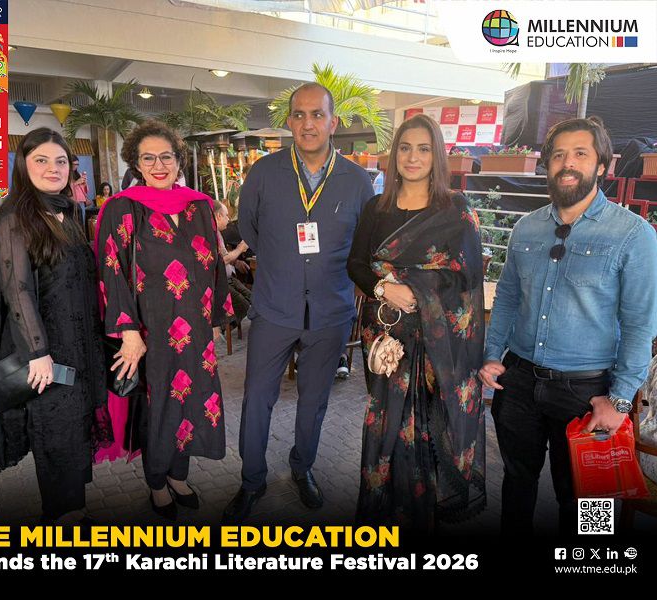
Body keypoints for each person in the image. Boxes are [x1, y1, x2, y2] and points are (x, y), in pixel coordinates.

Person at [479, 116, 657, 535]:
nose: (567, 163)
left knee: (590, 505)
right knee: (516, 482)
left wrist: (618, 401)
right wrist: (491, 354)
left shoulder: (633, 235)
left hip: (588, 392)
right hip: (519, 382)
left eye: (580, 153)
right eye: (558, 155)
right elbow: (507, 298)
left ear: (602, 165)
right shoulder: (527, 227)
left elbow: (640, 324)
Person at [224, 83, 373, 523]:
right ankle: (252, 480)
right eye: (300, 114)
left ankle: (302, 466)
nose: (308, 123)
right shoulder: (264, 173)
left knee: (314, 400)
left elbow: (364, 243)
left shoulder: (357, 181)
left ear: (333, 122)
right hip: (274, 306)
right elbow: (249, 229)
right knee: (257, 397)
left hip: (330, 311)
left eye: (317, 114)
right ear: (289, 121)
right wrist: (283, 262)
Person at [347, 114, 486, 529]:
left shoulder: (454, 209)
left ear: (436, 155)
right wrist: (384, 289)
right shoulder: (376, 208)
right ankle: (388, 511)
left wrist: (416, 287)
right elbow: (356, 264)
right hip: (388, 338)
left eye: (423, 149)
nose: (413, 157)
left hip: (437, 343)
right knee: (387, 421)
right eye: (405, 148)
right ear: (394, 155)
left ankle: (426, 514)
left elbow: (468, 275)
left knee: (431, 423)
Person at [96, 119, 232, 520]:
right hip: (149, 329)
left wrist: (215, 320)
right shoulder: (123, 207)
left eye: (166, 157)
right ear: (136, 164)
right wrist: (127, 331)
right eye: (148, 158)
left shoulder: (199, 207)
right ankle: (157, 481)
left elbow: (215, 266)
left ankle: (179, 475)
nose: (159, 165)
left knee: (191, 399)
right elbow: (111, 270)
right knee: (158, 408)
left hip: (195, 327)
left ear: (178, 160)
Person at [0, 127, 111, 524]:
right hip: (47, 348)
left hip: (79, 341)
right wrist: (37, 353)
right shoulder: (15, 215)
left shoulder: (68, 210)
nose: (53, 168)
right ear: (23, 165)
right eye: (41, 160)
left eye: (61, 161)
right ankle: (62, 513)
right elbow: (16, 289)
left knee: (76, 425)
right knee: (56, 428)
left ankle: (74, 505)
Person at [212, 199, 252, 325]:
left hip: (229, 278)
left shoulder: (218, 233)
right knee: (244, 307)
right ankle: (224, 326)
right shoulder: (210, 235)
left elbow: (224, 256)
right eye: (226, 216)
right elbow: (221, 261)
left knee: (253, 299)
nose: (229, 219)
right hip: (219, 283)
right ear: (218, 216)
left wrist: (236, 263)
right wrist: (240, 249)